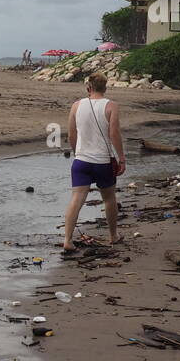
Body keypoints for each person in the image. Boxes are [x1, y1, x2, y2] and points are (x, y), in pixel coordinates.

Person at [63, 73, 125, 251]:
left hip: (81, 161)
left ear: (88, 88)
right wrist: (121, 158)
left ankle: (67, 240)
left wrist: (77, 153)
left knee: (76, 199)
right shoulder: (111, 106)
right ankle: (113, 235)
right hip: (103, 161)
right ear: (105, 87)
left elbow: (71, 134)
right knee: (109, 198)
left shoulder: (76, 105)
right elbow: (114, 134)